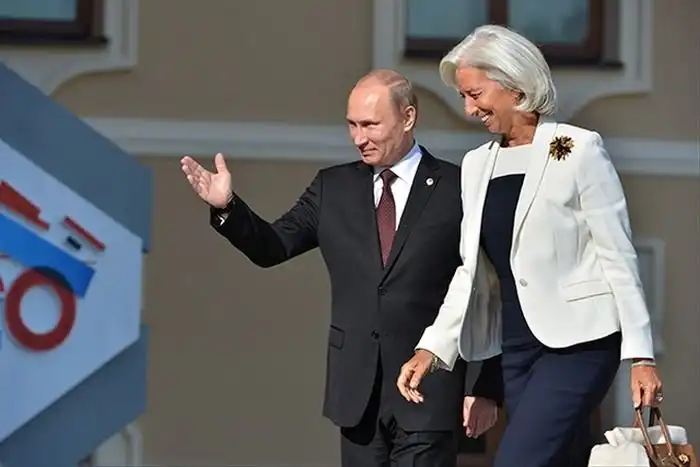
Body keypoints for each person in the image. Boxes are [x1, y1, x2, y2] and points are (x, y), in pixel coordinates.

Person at [180, 69, 502, 467]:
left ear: (408, 118)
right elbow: (272, 246)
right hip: (356, 396)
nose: (358, 138)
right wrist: (227, 207)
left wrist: (485, 384)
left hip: (430, 389)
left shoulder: (458, 187)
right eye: (352, 125)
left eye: (370, 124)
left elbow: (486, 287)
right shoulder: (332, 188)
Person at [396, 25, 664, 467]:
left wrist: (641, 355)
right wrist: (432, 348)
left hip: (580, 347)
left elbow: (618, 256)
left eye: (475, 94)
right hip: (517, 351)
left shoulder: (578, 149)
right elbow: (470, 271)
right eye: (463, 96)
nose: (468, 109)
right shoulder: (476, 164)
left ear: (514, 85)